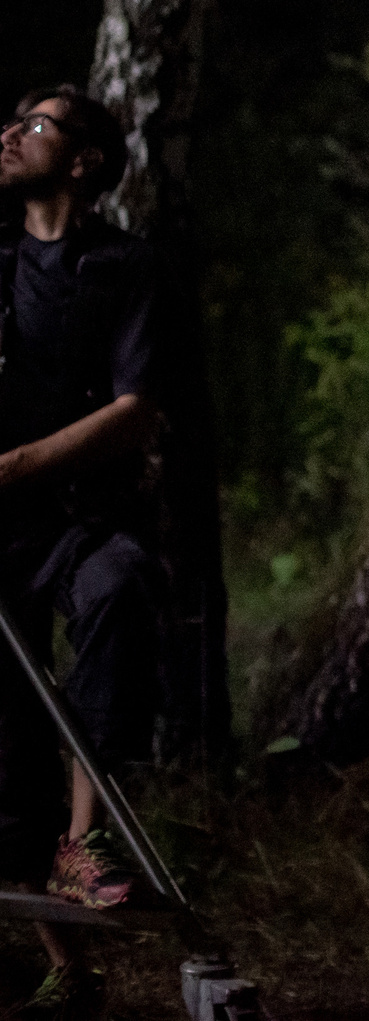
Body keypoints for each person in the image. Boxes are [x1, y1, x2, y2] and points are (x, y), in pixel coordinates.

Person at [0, 87, 166, 1000]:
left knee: (120, 584)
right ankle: (69, 973)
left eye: (33, 124)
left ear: (84, 160)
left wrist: (18, 463)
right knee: (5, 760)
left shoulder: (126, 265)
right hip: (1, 535)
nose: (8, 133)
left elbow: (135, 411)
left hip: (79, 523)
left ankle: (84, 842)